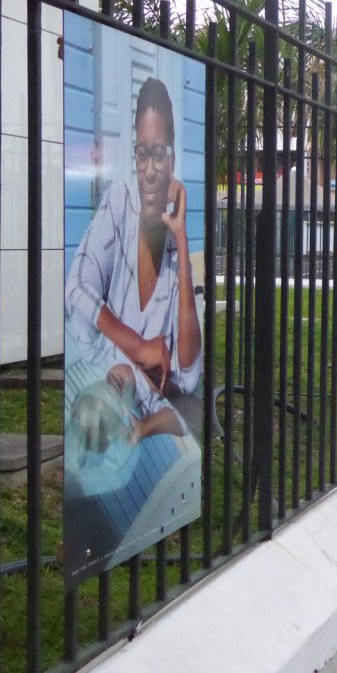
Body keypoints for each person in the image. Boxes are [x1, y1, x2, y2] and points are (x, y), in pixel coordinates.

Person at [66, 77, 201, 441]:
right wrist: (140, 347)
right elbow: (77, 287)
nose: (151, 171)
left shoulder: (176, 257)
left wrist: (181, 236)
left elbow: (188, 375)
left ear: (172, 158)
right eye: (143, 154)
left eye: (159, 155)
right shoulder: (119, 205)